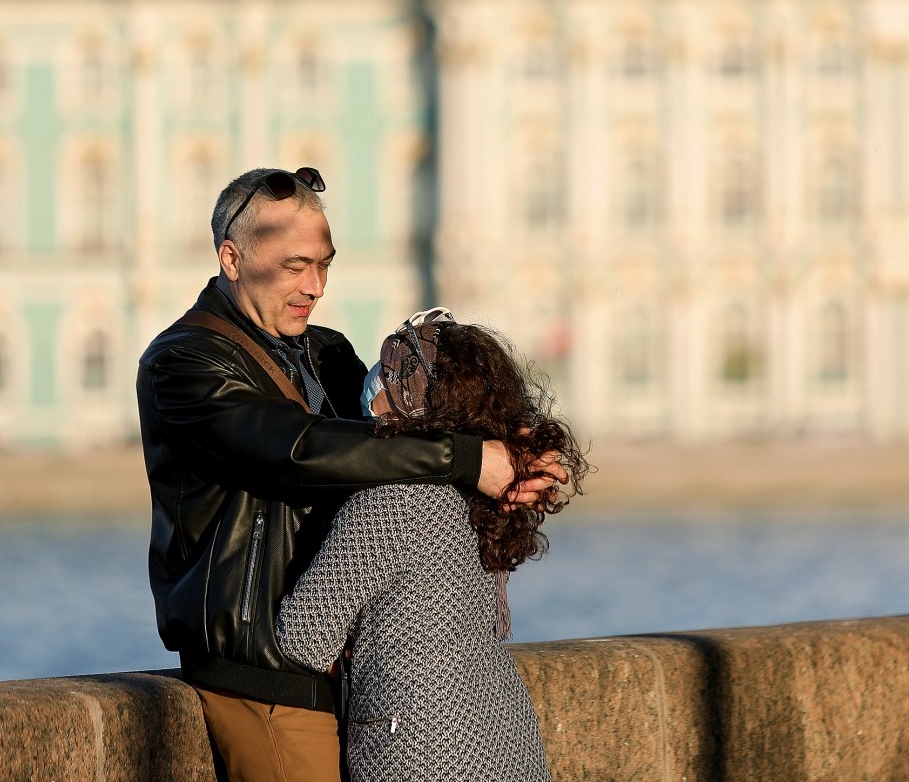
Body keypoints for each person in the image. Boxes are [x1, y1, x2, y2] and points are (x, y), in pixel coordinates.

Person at [137, 167, 564, 782]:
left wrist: (515, 457)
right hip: (264, 670)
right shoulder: (183, 363)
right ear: (232, 259)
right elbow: (300, 448)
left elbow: (398, 441)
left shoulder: (326, 349)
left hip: (341, 668)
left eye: (325, 264)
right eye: (294, 266)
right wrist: (470, 458)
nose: (314, 285)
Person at [276, 309, 588, 782]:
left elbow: (303, 639)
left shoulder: (389, 502)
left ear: (408, 401)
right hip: (508, 737)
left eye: (384, 378)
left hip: (420, 748)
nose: (371, 389)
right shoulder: (488, 494)